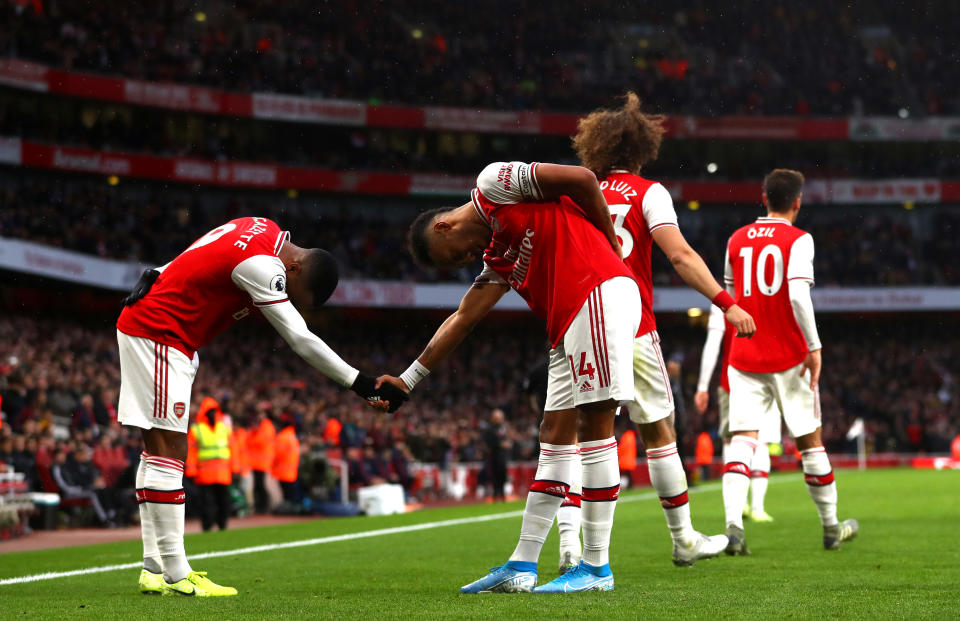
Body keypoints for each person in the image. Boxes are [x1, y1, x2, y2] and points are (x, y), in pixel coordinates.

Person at [381, 159, 638, 593]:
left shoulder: (493, 183)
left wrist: (610, 244)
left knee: (595, 426)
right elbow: (463, 317)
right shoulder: (498, 253)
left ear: (444, 226)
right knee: (554, 434)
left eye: (456, 254)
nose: (465, 259)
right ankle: (523, 564)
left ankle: (597, 568)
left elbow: (583, 179)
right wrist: (408, 379)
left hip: (596, 290)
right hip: (566, 321)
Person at [116, 216, 409, 597]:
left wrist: (157, 271)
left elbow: (203, 250)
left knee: (155, 450)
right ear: (295, 267)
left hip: (166, 332)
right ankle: (176, 573)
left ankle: (154, 568)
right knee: (168, 452)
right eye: (294, 292)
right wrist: (362, 384)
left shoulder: (261, 225)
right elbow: (299, 338)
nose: (289, 298)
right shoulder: (264, 266)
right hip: (160, 332)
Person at [571, 92, 756, 566]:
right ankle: (684, 540)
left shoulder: (574, 191)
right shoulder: (648, 192)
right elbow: (680, 255)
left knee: (578, 436)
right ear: (641, 148)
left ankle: (574, 549)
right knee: (659, 432)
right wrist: (726, 302)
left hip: (578, 323)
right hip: (631, 324)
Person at [720, 169, 858, 555]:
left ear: (764, 198)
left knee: (742, 440)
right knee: (810, 442)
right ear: (797, 202)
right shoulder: (799, 240)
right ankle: (831, 528)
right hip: (789, 356)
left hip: (744, 356)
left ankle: (734, 528)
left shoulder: (736, 238)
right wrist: (814, 346)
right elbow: (798, 295)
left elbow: (729, 303)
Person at [695, 305, 779, 522]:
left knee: (732, 441)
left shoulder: (721, 302)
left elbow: (712, 345)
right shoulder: (767, 294)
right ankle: (758, 508)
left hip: (732, 380)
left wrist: (703, 386)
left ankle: (739, 504)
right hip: (766, 378)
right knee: (761, 441)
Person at [186, 397, 232, 532]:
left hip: (223, 473)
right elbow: (191, 452)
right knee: (207, 503)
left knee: (223, 501)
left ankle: (222, 525)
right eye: (209, 411)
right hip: (205, 474)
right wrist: (192, 470)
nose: (212, 414)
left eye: (214, 411)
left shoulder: (223, 427)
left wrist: (235, 467)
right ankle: (208, 526)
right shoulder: (197, 429)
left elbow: (232, 447)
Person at [483, 409, 510, 502]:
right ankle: (495, 495)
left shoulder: (502, 428)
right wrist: (500, 444)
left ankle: (502, 495)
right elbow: (489, 442)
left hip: (503, 456)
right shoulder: (490, 429)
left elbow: (505, 439)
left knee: (503, 475)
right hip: (494, 456)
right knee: (495, 476)